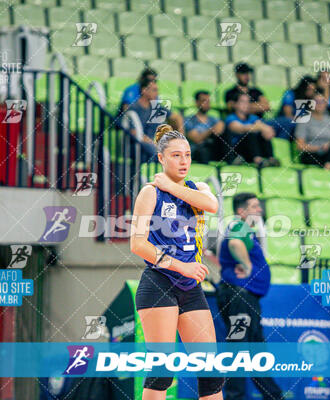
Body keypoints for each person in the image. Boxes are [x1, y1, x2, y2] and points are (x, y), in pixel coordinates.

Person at [130, 124, 224, 400]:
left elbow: (212, 206)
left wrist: (171, 185)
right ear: (161, 158)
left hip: (189, 287)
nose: (184, 162)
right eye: (175, 156)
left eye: (187, 155)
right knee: (162, 372)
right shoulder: (150, 193)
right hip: (159, 283)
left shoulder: (199, 188)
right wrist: (181, 266)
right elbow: (137, 244)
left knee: (211, 372)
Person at [216, 192, 283, 400]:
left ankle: (274, 396)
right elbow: (235, 244)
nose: (260, 210)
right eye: (254, 207)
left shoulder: (246, 230)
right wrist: (247, 266)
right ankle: (235, 397)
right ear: (241, 211)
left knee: (255, 353)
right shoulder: (239, 226)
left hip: (246, 300)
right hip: (240, 299)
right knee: (239, 351)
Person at [127, 79, 185, 161]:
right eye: (154, 90)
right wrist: (153, 143)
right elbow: (134, 132)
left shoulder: (157, 107)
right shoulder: (134, 108)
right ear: (144, 90)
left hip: (154, 146)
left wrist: (181, 138)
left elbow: (177, 117)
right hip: (137, 146)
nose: (157, 93)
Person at [223, 92, 278, 167]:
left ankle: (271, 159)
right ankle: (258, 161)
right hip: (237, 150)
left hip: (252, 149)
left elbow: (269, 131)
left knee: (263, 135)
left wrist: (264, 129)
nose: (246, 104)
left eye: (248, 102)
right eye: (242, 101)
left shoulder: (253, 117)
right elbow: (240, 128)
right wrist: (259, 127)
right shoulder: (231, 118)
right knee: (250, 134)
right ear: (235, 104)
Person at [184, 91, 225, 163]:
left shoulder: (214, 119)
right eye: (203, 101)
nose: (207, 103)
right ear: (196, 102)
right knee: (203, 150)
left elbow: (220, 130)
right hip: (197, 151)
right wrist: (211, 130)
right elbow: (196, 139)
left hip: (213, 148)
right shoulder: (188, 120)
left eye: (208, 101)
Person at [274, 75, 317, 140]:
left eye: (313, 90)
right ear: (303, 87)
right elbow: (288, 115)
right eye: (309, 89)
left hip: (301, 126)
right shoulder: (290, 94)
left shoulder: (311, 99)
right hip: (285, 123)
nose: (311, 92)